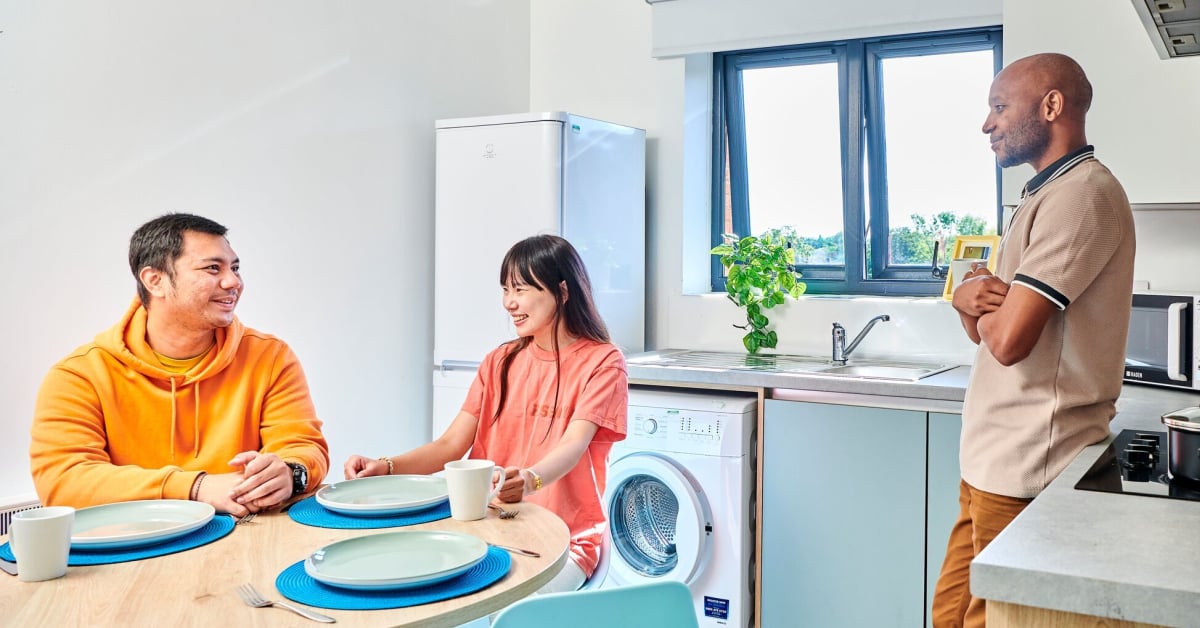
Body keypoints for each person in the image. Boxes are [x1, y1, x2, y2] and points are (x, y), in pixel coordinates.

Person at [931, 53, 1135, 628]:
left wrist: (970, 299)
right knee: (950, 616)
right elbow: (988, 326)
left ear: (1051, 106)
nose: (987, 124)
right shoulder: (1042, 194)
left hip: (1029, 463)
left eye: (999, 107)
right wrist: (969, 302)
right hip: (990, 461)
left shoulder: (1082, 195)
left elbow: (1009, 342)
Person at [344, 234, 628, 592]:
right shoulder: (499, 361)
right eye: (505, 290)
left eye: (521, 289)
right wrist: (385, 467)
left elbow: (573, 445)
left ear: (562, 291)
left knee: (505, 605)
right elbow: (450, 445)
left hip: (563, 543)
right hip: (486, 531)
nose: (509, 302)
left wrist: (530, 481)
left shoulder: (603, 362)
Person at [30, 213, 330, 518]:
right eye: (213, 268)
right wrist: (195, 487)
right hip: (136, 542)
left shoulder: (270, 357)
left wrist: (290, 473)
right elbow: (64, 481)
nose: (234, 282)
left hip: (249, 532)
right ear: (155, 280)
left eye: (235, 268)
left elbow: (301, 446)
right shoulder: (79, 376)